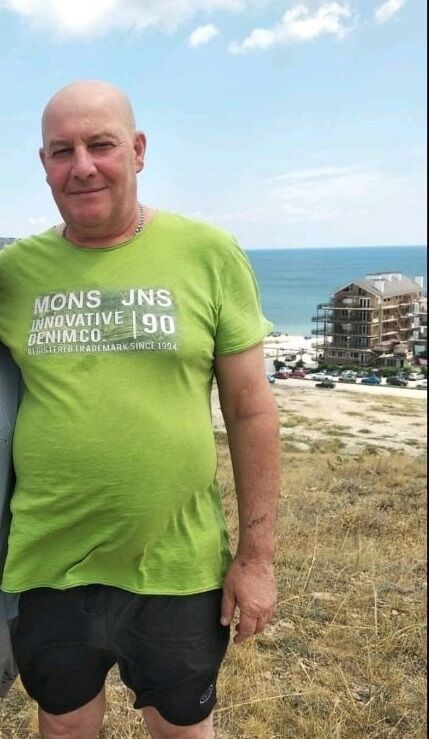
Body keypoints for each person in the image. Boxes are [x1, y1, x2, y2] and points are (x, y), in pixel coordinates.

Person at [0, 80, 280, 739]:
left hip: (177, 565)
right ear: (43, 163)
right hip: (47, 562)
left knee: (181, 729)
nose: (82, 166)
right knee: (63, 725)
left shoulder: (207, 253)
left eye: (101, 145)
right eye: (62, 151)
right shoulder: (14, 272)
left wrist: (257, 558)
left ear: (138, 150)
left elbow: (250, 408)